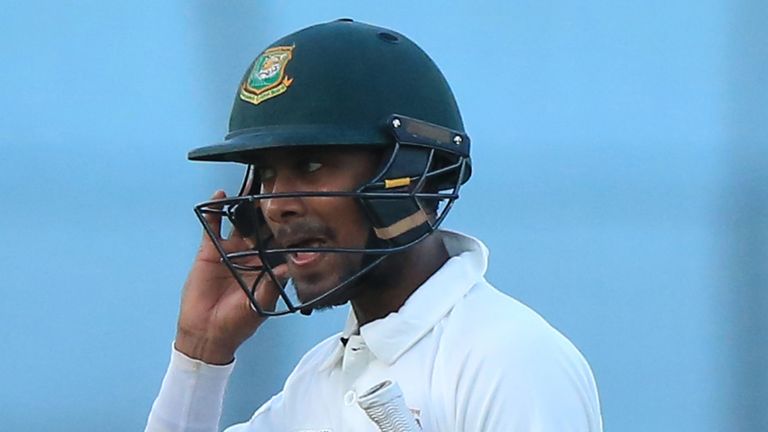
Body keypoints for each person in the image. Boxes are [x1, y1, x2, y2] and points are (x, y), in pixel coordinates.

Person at [146, 19, 603, 431]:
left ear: (413, 173)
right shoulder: (316, 383)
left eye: (310, 164)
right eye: (266, 174)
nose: (274, 205)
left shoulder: (509, 359)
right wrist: (199, 353)